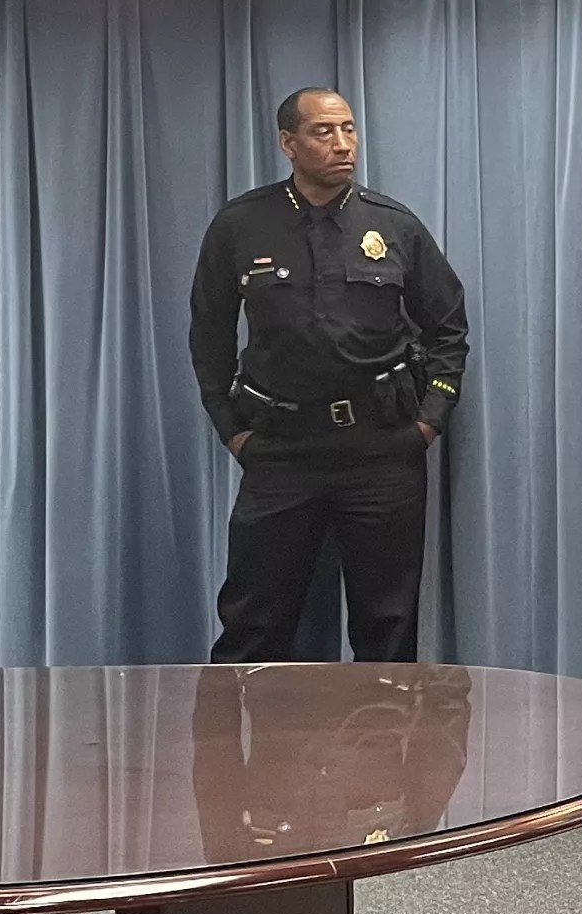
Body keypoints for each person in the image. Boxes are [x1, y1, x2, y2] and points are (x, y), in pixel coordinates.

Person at [189, 87, 470, 663]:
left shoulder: (394, 226)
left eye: (348, 129)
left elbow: (449, 331)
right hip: (281, 450)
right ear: (288, 143)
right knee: (253, 625)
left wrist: (429, 421)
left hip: (382, 452)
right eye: (323, 131)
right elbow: (209, 337)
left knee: (387, 629)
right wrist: (232, 431)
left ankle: (385, 729)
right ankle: (243, 729)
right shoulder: (241, 225)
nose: (343, 144)